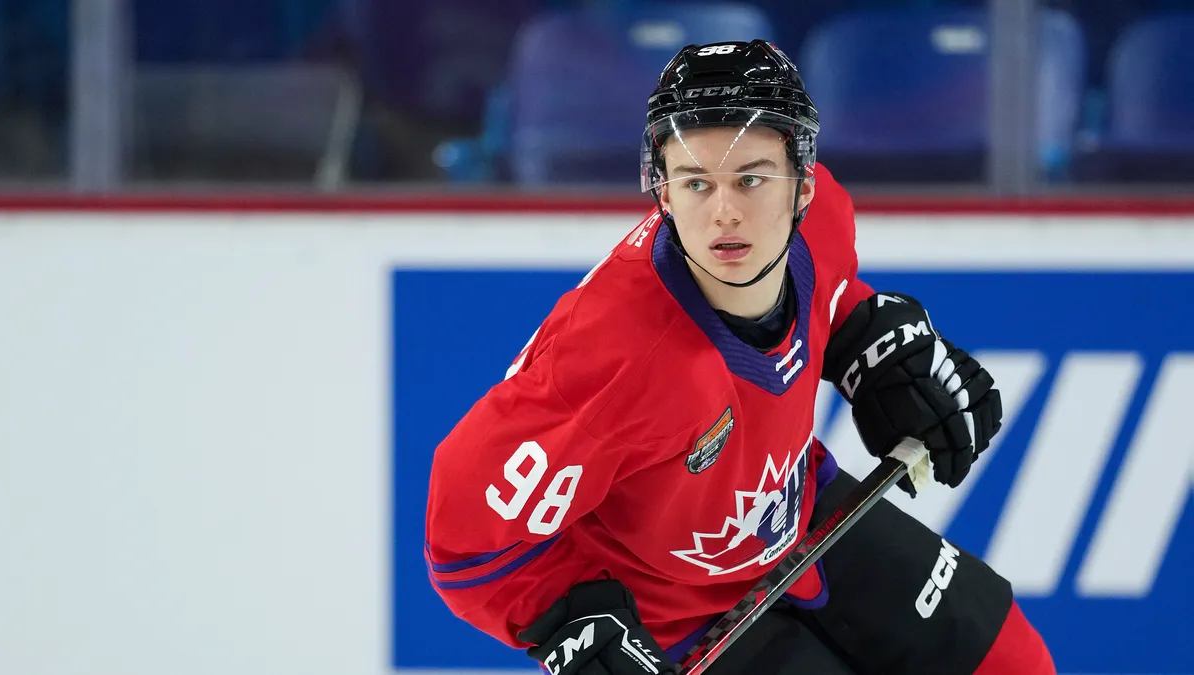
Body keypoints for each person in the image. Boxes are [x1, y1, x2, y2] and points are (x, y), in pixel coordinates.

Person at [424, 39, 1055, 674]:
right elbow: (463, 540)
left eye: (751, 179)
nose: (724, 213)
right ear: (663, 193)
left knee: (1013, 662)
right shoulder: (612, 357)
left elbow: (829, 297)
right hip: (674, 613)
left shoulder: (825, 220)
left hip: (801, 511)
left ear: (803, 184)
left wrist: (873, 345)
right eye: (696, 183)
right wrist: (572, 623)